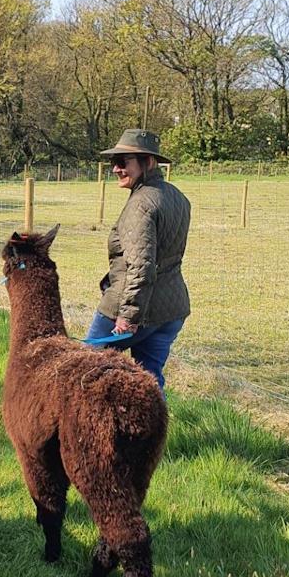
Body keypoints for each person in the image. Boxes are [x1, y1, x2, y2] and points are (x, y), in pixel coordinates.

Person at [88, 128, 192, 392]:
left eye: (123, 162)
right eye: (114, 162)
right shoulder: (177, 196)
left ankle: (80, 432)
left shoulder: (141, 205)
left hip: (133, 309)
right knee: (150, 383)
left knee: (85, 371)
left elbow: (142, 266)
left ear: (148, 162)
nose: (115, 169)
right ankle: (153, 433)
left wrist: (128, 316)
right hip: (170, 309)